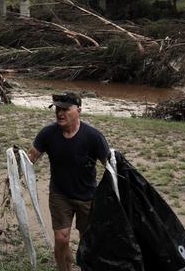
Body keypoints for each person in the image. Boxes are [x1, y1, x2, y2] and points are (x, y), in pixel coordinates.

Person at [28, 91, 110, 271]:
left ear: (78, 110)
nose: (59, 113)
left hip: (87, 196)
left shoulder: (93, 136)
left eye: (65, 109)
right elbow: (31, 158)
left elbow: (110, 166)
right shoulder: (48, 134)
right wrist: (16, 167)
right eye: (57, 109)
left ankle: (85, 265)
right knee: (61, 238)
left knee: (86, 239)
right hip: (60, 193)